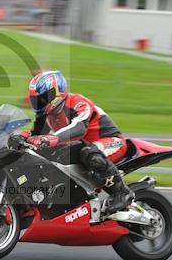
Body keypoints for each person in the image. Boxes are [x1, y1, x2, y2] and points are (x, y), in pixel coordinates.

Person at [22, 70, 134, 214]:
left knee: (90, 153)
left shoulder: (78, 102)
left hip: (111, 141)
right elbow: (36, 136)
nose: (38, 103)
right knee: (47, 155)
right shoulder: (46, 115)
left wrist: (53, 138)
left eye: (42, 98)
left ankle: (122, 193)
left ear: (56, 93)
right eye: (35, 100)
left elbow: (79, 128)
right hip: (82, 146)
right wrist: (20, 138)